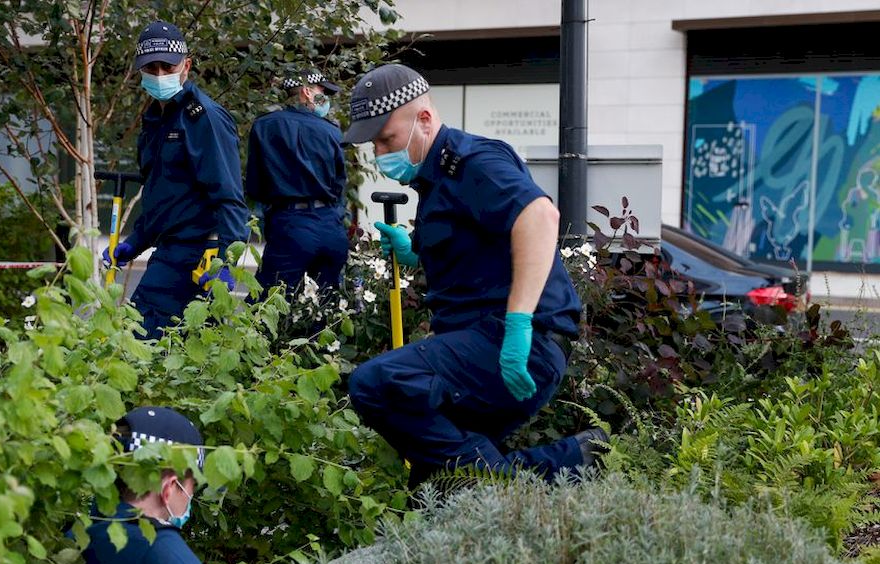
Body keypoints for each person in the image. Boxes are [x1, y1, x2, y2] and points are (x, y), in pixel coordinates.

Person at [342, 64, 607, 487]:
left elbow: (540, 217)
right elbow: (479, 256)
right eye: (375, 144)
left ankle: (546, 472)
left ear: (424, 120)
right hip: (484, 339)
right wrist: (415, 254)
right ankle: (568, 466)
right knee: (438, 488)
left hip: (518, 344)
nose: (380, 153)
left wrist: (519, 325)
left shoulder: (472, 162)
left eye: (386, 139)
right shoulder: (436, 182)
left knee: (376, 384)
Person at [80, 406, 281, 564]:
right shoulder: (159, 550)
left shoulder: (85, 529)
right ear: (170, 487)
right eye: (191, 485)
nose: (191, 496)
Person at [102, 21, 249, 340]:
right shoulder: (156, 119)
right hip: (170, 248)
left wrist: (228, 262)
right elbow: (163, 195)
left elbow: (230, 198)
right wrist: (134, 242)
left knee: (139, 338)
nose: (158, 74)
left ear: (187, 65)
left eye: (166, 66)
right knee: (180, 352)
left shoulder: (202, 118)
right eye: (150, 67)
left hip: (196, 252)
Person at [245, 69, 348, 299]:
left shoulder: (264, 126)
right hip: (331, 224)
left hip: (290, 224)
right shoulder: (331, 131)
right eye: (323, 92)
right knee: (327, 309)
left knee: (268, 305)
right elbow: (340, 184)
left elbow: (255, 185)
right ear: (307, 92)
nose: (327, 99)